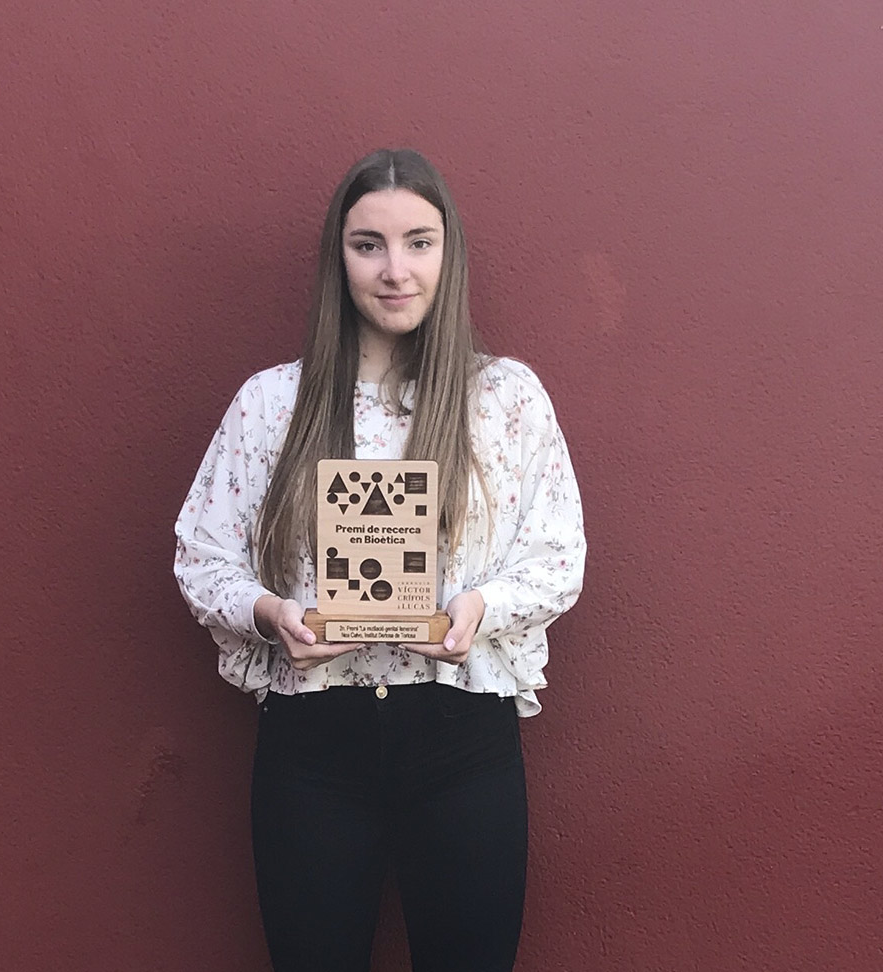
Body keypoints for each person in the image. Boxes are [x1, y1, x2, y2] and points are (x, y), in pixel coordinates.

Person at [173, 148, 586, 972]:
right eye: (369, 245)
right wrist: (271, 614)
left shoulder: (505, 400)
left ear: (449, 253)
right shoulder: (272, 404)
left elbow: (558, 555)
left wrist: (480, 610)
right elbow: (201, 555)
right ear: (339, 257)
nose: (396, 270)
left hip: (462, 739)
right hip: (313, 746)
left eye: (418, 243)